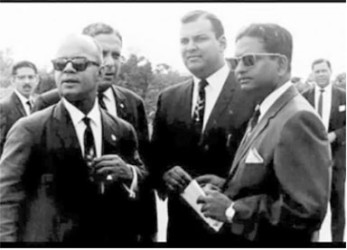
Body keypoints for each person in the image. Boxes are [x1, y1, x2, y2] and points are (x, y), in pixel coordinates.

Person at [0, 34, 147, 243]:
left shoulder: (122, 130)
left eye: (79, 63)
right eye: (60, 64)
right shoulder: (30, 130)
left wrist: (129, 172)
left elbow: (144, 180)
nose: (67, 69)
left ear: (101, 71)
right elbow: (6, 202)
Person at [197, 23, 331, 243]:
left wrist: (232, 210)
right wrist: (229, 186)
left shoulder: (298, 119)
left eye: (248, 60)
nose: (238, 69)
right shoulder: (266, 109)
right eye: (234, 61)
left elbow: (305, 211)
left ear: (280, 64)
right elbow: (271, 181)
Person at [150, 10, 255, 243]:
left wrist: (230, 188)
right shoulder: (168, 99)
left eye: (200, 39)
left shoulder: (251, 93)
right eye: (184, 41)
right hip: (181, 232)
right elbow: (154, 160)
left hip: (234, 233)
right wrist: (165, 174)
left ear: (222, 43)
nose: (190, 47)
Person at [302, 59, 346, 242]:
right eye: (317, 71)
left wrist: (336, 135)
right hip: (311, 160)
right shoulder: (304, 96)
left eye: (323, 71)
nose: (320, 74)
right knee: (311, 206)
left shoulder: (343, 96)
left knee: (337, 204)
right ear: (312, 74)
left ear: (330, 72)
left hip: (336, 158)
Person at [0, 61, 39, 156]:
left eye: (31, 77)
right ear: (13, 80)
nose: (27, 82)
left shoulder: (38, 105)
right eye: (21, 78)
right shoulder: (4, 107)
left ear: (37, 79)